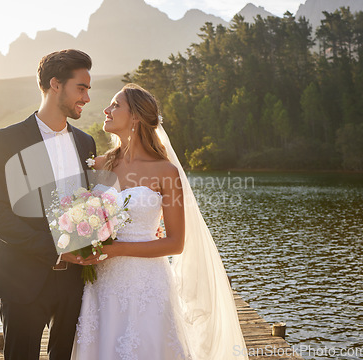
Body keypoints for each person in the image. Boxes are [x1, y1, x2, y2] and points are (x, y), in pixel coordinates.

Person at [71, 83, 249, 359]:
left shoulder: (166, 171)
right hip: (102, 282)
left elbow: (175, 243)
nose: (106, 110)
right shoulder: (99, 165)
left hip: (145, 284)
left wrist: (116, 249)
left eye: (116, 105)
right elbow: (77, 214)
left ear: (136, 117)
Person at [0, 49, 97, 360]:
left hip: (74, 282)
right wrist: (58, 248)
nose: (86, 98)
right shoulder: (6, 139)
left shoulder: (86, 143)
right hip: (22, 278)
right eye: (81, 88)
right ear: (55, 84)